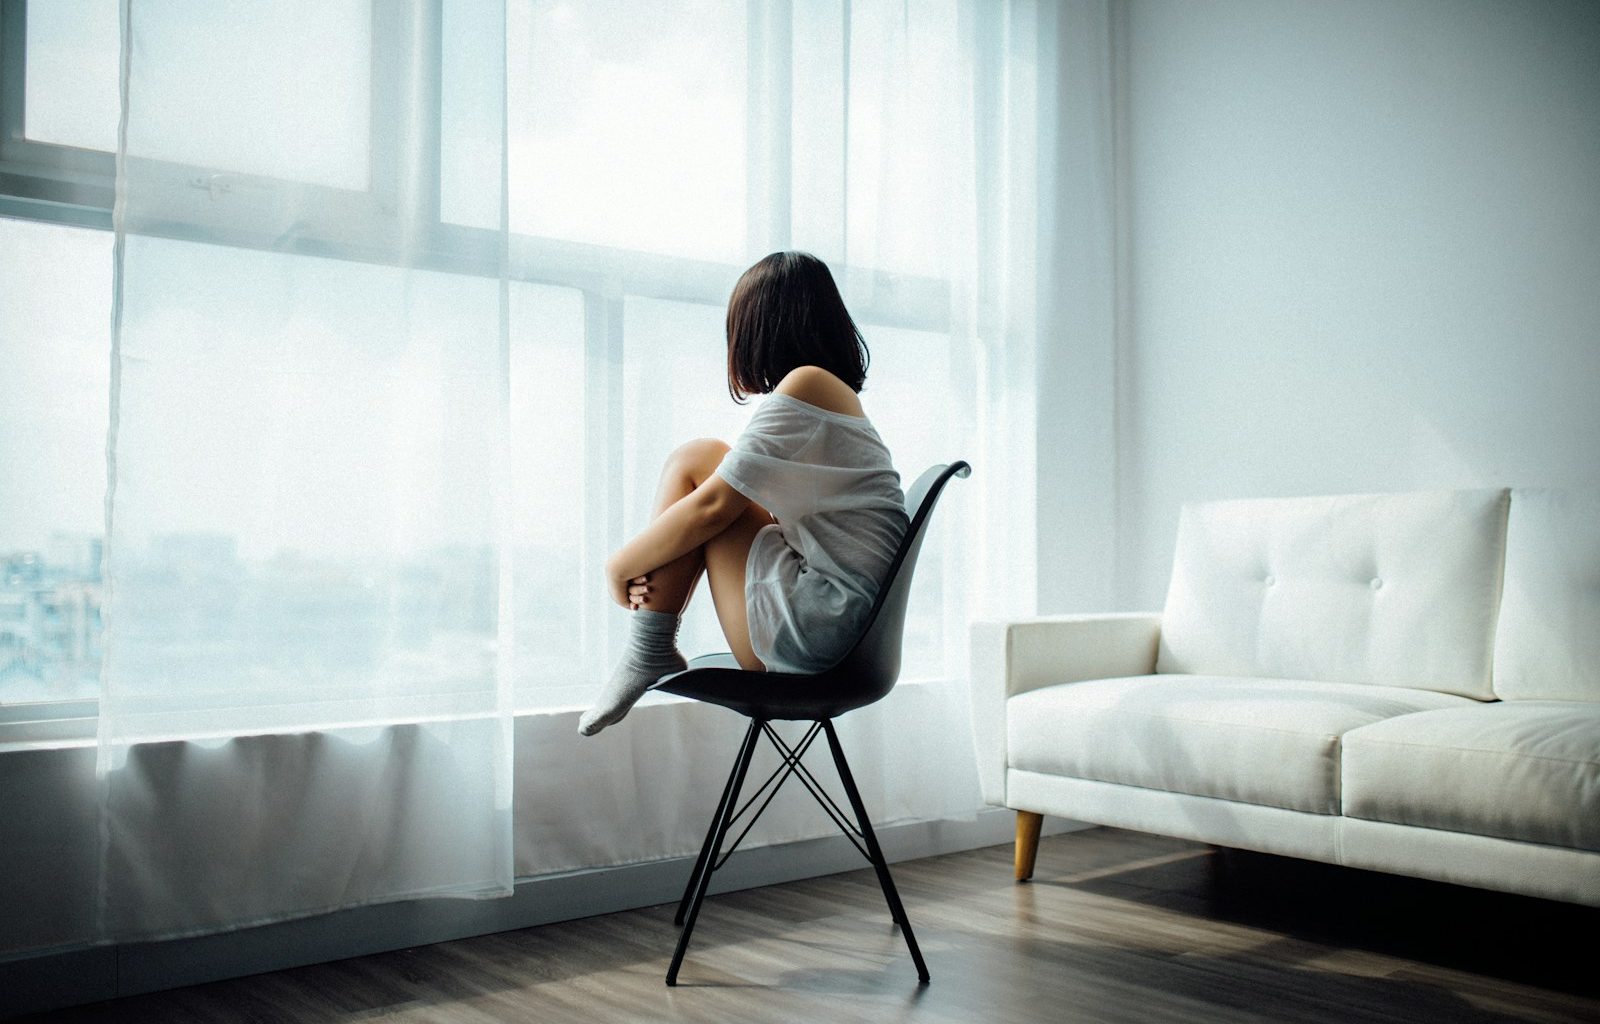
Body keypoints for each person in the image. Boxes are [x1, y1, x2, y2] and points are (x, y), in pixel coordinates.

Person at [578, 251, 908, 736]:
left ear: (760, 328)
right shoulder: (831, 396)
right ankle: (649, 648)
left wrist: (618, 566)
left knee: (696, 462)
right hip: (841, 630)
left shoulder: (808, 384)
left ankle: (647, 649)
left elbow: (714, 508)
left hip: (818, 633)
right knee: (705, 460)